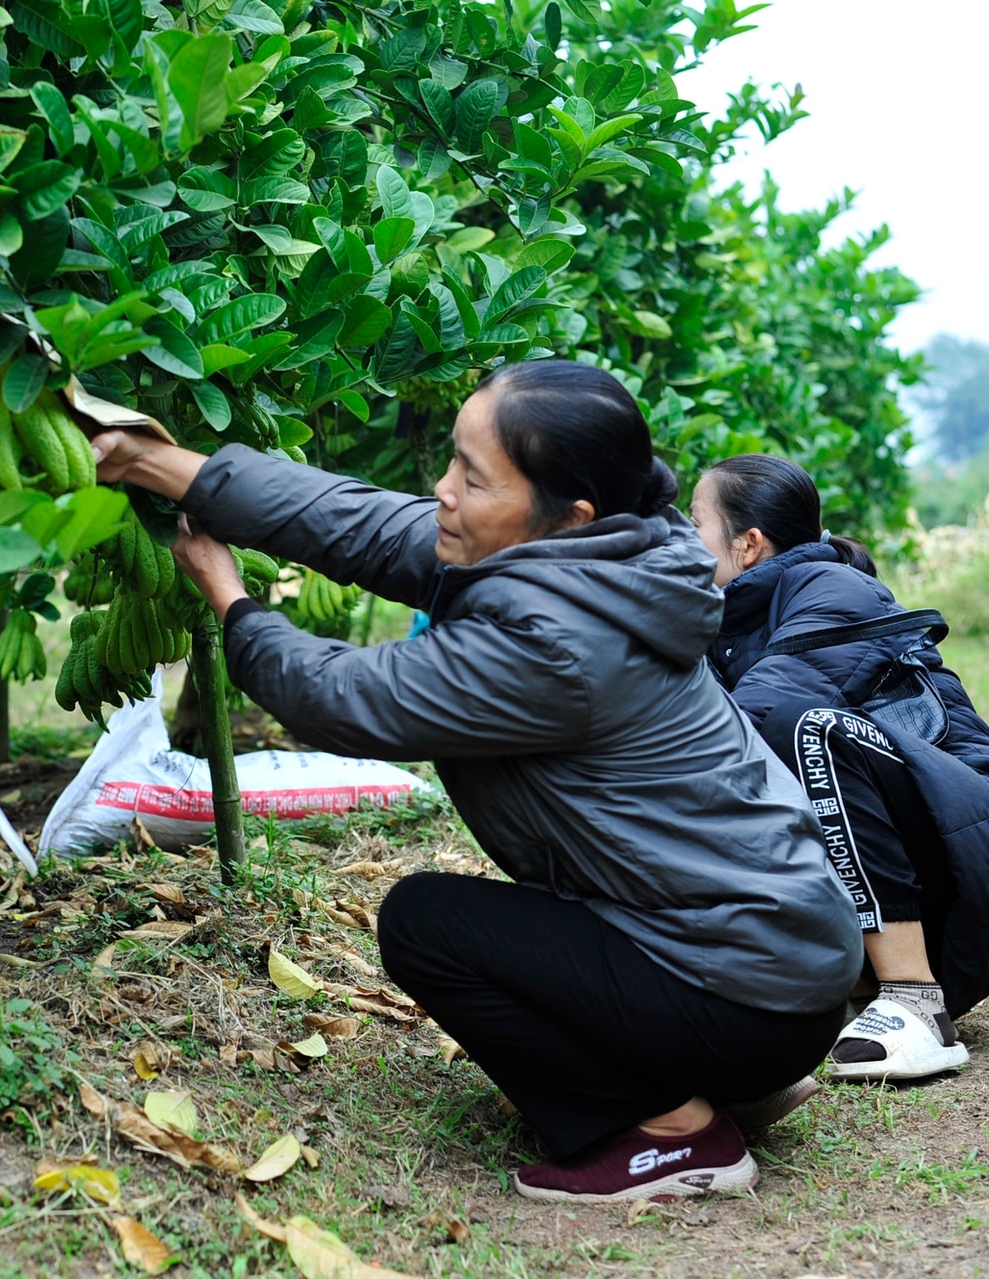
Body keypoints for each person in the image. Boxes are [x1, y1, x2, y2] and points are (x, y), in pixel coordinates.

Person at [89, 360, 862, 1203]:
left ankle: (673, 1130)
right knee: (504, 925)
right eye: (453, 461)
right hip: (777, 958)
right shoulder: (606, 558)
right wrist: (156, 463)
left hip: (748, 990)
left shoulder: (558, 645)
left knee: (428, 925)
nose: (443, 490)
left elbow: (345, 699)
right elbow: (362, 523)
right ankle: (724, 1076)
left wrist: (234, 602)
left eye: (473, 476)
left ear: (569, 512)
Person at [689, 454, 989, 1081]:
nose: (683, 540)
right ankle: (845, 989)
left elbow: (757, 717)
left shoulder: (835, 589)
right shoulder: (727, 622)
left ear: (749, 544)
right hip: (932, 850)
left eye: (694, 522)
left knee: (808, 730)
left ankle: (915, 1004)